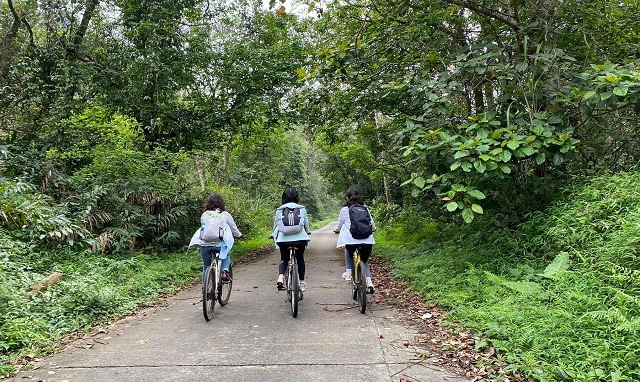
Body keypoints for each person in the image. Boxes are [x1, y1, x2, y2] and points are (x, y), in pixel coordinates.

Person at [189, 193, 242, 284]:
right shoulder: (225, 215)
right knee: (226, 253)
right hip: (220, 244)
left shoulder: (204, 215)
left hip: (205, 244)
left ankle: (205, 290)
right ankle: (225, 271)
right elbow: (234, 228)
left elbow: (204, 228)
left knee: (206, 267)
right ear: (221, 203)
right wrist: (239, 235)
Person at [333, 187, 377, 293]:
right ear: (359, 196)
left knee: (348, 250)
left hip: (351, 241)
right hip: (367, 241)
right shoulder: (365, 208)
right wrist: (373, 230)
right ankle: (369, 282)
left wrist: (336, 230)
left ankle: (348, 272)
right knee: (364, 260)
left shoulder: (344, 210)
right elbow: (372, 225)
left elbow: (339, 225)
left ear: (347, 198)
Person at [272, 187, 311, 292]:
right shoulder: (302, 209)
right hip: (300, 240)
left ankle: (280, 277)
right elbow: (306, 224)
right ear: (296, 197)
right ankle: (302, 282)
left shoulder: (280, 210)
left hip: (283, 240)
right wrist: (307, 233)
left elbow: (276, 225)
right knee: (300, 259)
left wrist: (273, 235)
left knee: (284, 258)